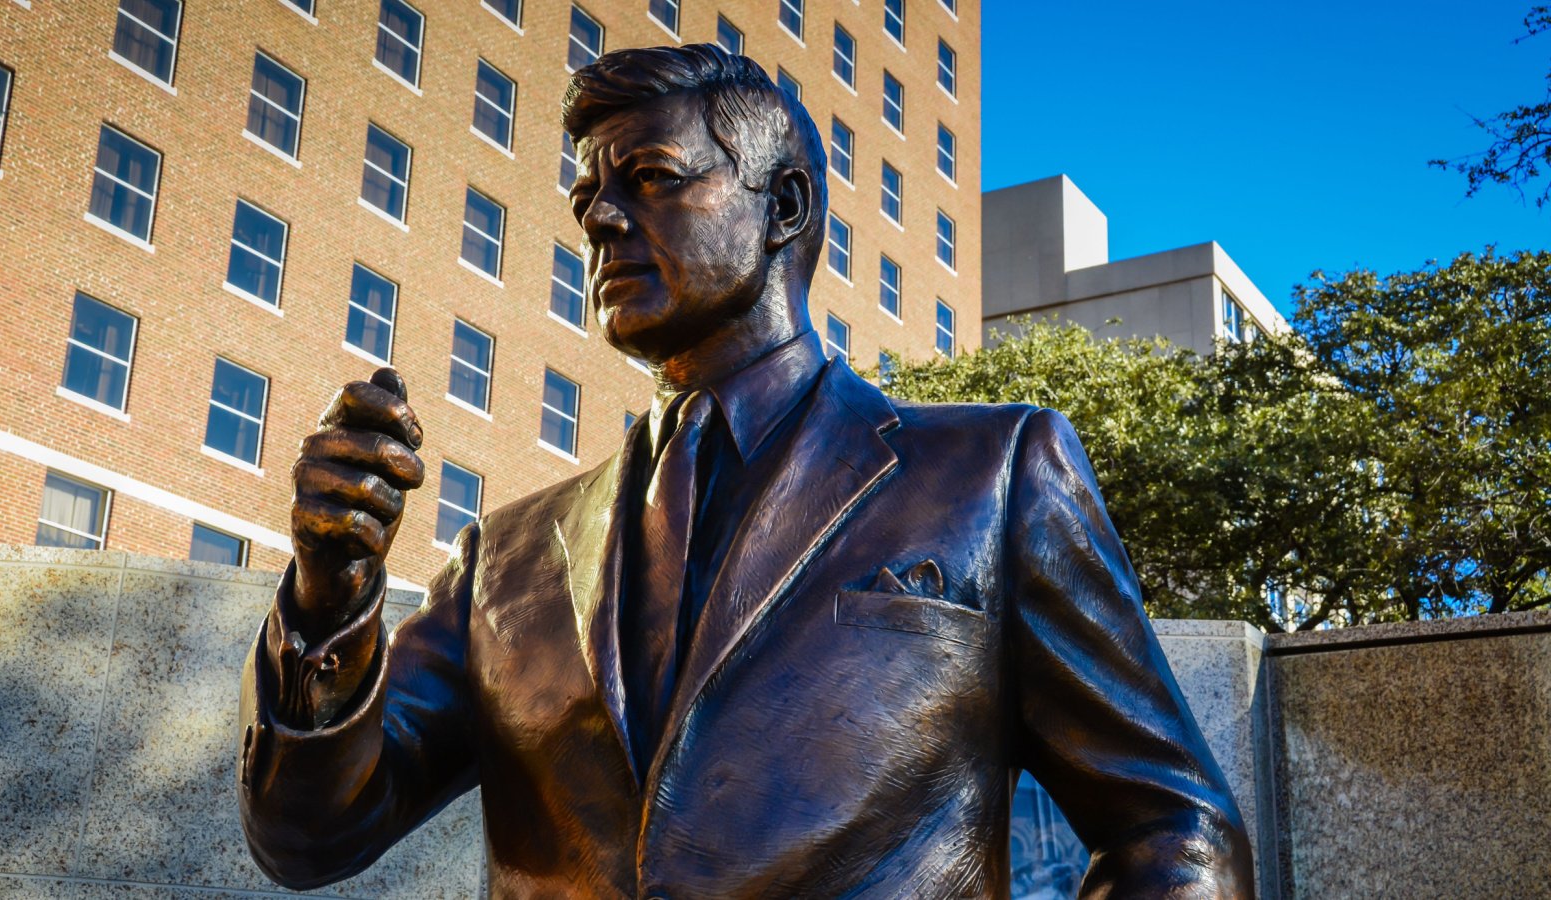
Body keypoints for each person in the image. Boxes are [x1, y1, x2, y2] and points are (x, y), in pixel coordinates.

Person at [237, 44, 1253, 898]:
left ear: (784, 207)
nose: (597, 219)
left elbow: (1173, 830)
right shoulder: (502, 561)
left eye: (651, 178)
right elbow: (307, 838)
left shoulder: (989, 472)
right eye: (588, 195)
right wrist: (331, 597)